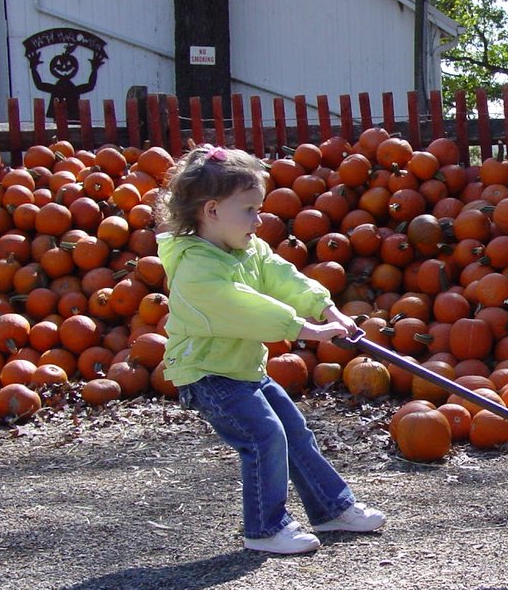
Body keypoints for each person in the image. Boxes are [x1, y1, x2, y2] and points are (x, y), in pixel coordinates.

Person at [156, 144, 385, 555]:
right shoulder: (195, 269)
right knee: (265, 436)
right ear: (212, 211)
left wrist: (326, 307)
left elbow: (283, 277)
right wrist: (308, 331)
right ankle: (264, 529)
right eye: (249, 210)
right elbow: (247, 309)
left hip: (243, 370)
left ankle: (332, 508)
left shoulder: (246, 249)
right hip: (209, 375)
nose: (259, 220)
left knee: (294, 432)